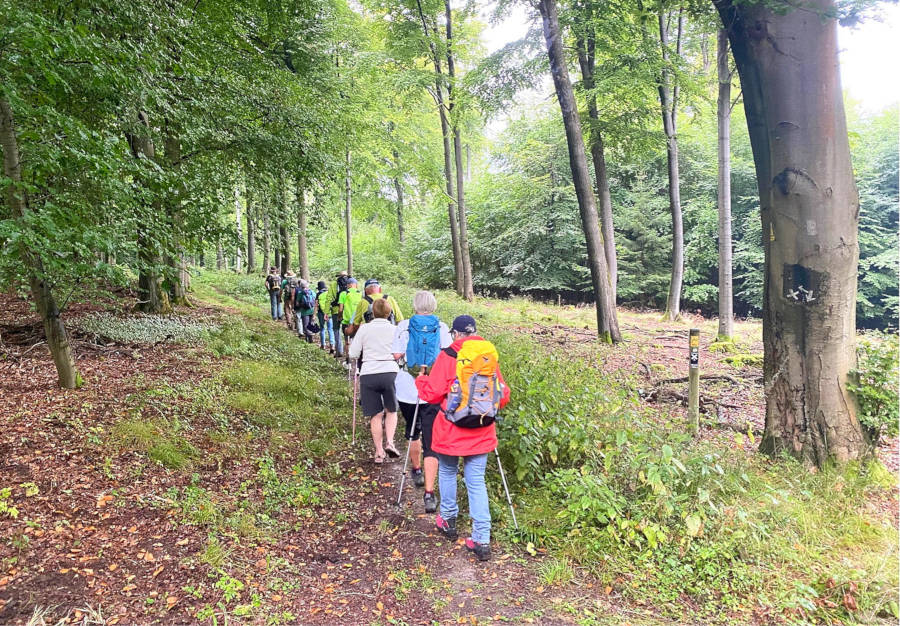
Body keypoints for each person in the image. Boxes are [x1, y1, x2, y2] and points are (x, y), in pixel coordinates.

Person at [415, 315, 510, 562]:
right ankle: (481, 538)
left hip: (451, 430)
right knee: (476, 481)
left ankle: (448, 520)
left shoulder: (448, 356)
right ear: (475, 332)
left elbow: (433, 394)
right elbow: (503, 394)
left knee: (447, 471)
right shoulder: (487, 355)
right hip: (481, 428)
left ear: (456, 334)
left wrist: (421, 380)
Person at [392, 290, 452, 512]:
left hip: (408, 388)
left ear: (415, 305)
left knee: (412, 429)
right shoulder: (443, 328)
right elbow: (448, 357)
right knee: (431, 439)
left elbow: (396, 355)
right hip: (434, 390)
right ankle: (429, 493)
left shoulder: (404, 326)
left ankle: (416, 470)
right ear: (433, 306)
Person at [348, 298, 401, 464]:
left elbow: (353, 353)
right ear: (389, 313)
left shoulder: (364, 329)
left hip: (369, 373)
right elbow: (401, 352)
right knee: (391, 410)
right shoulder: (395, 329)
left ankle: (379, 452)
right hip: (390, 372)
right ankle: (390, 442)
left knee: (376, 414)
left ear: (371, 313)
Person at [338, 278, 363, 366]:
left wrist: (339, 317)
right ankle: (358, 363)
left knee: (347, 341)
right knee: (359, 341)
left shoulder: (343, 294)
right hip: (358, 322)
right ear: (355, 285)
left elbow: (341, 309)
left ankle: (348, 362)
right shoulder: (361, 294)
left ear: (348, 285)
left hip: (346, 322)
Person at [325, 271, 349, 358]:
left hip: (336, 311)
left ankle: (339, 351)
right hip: (347, 312)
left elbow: (328, 298)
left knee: (336, 330)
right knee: (348, 331)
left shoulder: (334, 284)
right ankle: (349, 351)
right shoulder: (351, 283)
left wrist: (326, 312)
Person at [314, 280, 334, 351]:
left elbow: (316, 305)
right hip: (329, 313)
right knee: (330, 329)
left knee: (322, 328)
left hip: (321, 313)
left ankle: (323, 345)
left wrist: (314, 315)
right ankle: (332, 345)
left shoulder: (318, 294)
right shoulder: (329, 293)